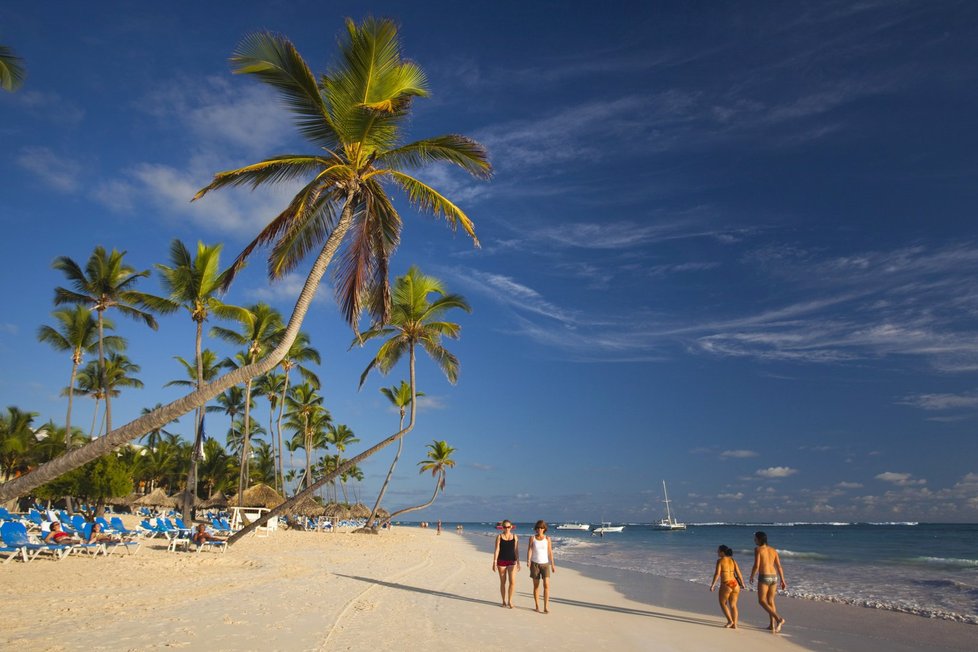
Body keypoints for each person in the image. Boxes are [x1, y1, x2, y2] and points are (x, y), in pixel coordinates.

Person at [749, 531, 787, 633]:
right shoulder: (773, 550)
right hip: (774, 577)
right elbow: (779, 566)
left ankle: (779, 619)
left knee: (761, 601)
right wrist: (782, 580)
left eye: (755, 538)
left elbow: (756, 565)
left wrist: (752, 576)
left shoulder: (758, 549)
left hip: (764, 576)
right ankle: (771, 625)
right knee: (770, 601)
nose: (754, 540)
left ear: (760, 539)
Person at [709, 545, 746, 628]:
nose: (717, 552)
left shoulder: (720, 561)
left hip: (726, 584)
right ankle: (735, 624)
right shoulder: (733, 560)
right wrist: (742, 583)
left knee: (723, 603)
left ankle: (730, 621)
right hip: (735, 584)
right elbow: (739, 573)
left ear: (722, 552)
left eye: (718, 551)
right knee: (733, 605)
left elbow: (717, 574)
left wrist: (713, 585)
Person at [527, 520, 556, 613]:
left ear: (544, 529)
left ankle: (546, 606)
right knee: (536, 586)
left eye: (542, 528)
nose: (540, 529)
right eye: (538, 528)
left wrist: (552, 564)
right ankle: (537, 605)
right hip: (535, 564)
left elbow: (550, 552)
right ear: (536, 529)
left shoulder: (547, 538)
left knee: (546, 585)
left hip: (545, 564)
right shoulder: (532, 538)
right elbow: (530, 550)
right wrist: (528, 560)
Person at [492, 519, 520, 608]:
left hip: (512, 561)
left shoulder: (515, 536)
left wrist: (518, 562)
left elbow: (516, 550)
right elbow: (497, 550)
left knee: (512, 582)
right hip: (501, 561)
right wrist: (494, 562)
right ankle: (503, 601)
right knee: (503, 582)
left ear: (511, 527)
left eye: (508, 527)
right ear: (502, 527)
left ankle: (510, 601)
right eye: (505, 527)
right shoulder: (499, 537)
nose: (507, 528)